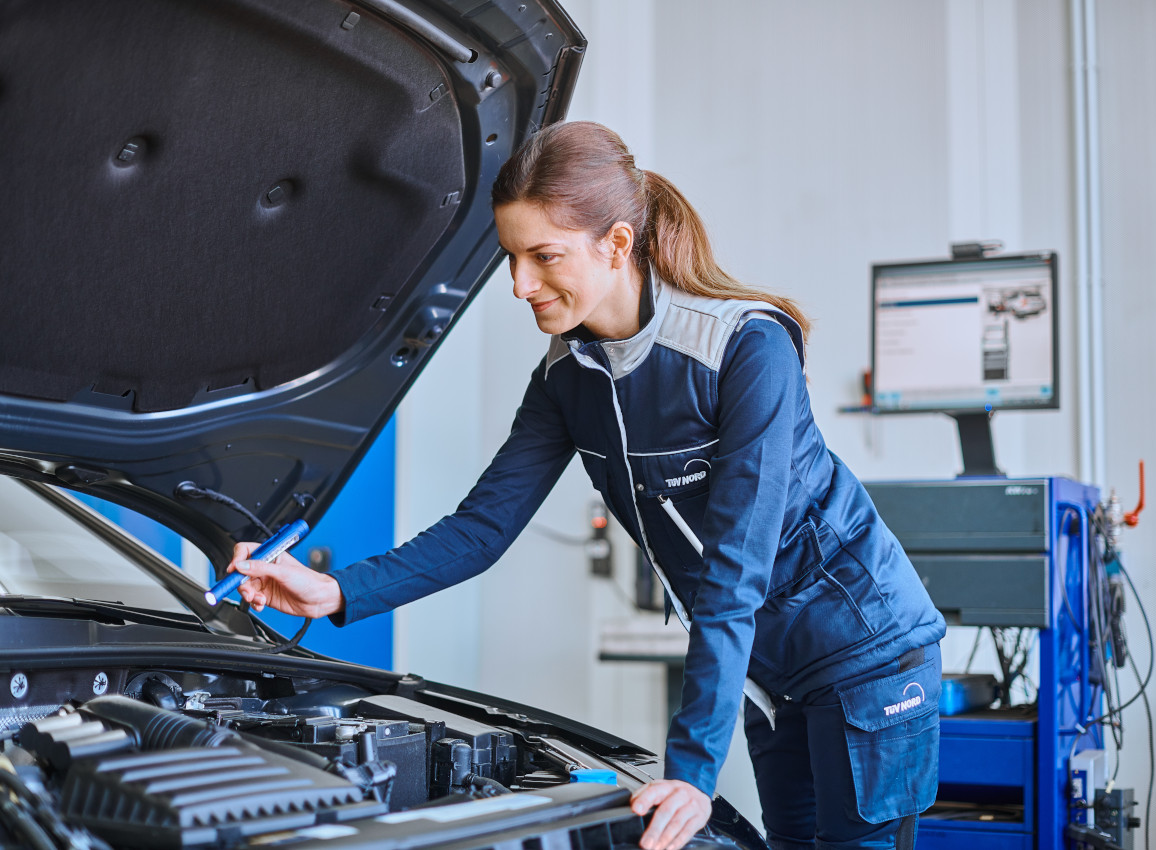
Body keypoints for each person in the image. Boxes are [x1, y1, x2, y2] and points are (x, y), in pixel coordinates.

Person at [225, 121, 947, 850]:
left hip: (864, 653)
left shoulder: (746, 349)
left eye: (543, 257)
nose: (519, 285)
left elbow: (737, 566)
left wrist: (692, 773)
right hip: (763, 667)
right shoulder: (566, 377)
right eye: (510, 258)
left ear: (618, 245)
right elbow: (481, 530)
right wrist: (337, 591)